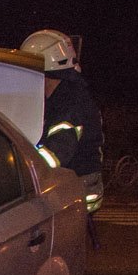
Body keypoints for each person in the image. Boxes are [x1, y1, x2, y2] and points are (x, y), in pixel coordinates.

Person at [21, 29, 104, 247]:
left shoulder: (70, 105)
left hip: (81, 184)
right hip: (72, 176)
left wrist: (22, 168)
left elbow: (55, 155)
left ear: (46, 74)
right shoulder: (62, 98)